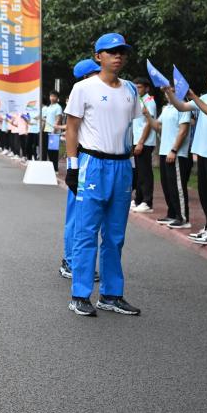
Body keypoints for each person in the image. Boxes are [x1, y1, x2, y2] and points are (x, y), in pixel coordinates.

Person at [63, 33, 141, 317]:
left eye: (122, 51)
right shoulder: (84, 88)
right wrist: (72, 167)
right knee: (86, 232)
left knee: (115, 235)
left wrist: (132, 169)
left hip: (121, 166)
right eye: (111, 52)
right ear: (98, 56)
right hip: (92, 164)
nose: (117, 56)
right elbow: (72, 128)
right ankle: (80, 294)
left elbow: (128, 130)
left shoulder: (131, 89)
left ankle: (111, 294)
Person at [162, 66, 207, 244]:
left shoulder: (203, 101)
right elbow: (182, 106)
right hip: (202, 152)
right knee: (204, 192)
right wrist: (170, 93)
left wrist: (193, 97)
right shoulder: (206, 97)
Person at [59, 59, 99, 279]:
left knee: (92, 217)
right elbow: (71, 132)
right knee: (77, 214)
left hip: (100, 164)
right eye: (94, 73)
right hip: (83, 160)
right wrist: (72, 166)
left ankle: (81, 262)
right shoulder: (82, 94)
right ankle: (70, 261)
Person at [156, 89, 193, 230]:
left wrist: (174, 150)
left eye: (171, 91)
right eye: (166, 92)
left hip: (176, 153)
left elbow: (183, 131)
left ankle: (183, 218)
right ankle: (172, 214)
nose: (167, 94)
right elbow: (157, 126)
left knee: (177, 187)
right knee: (167, 186)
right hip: (164, 152)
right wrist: (147, 116)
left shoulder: (183, 107)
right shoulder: (167, 109)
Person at [130, 79, 160, 213]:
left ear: (147, 89)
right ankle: (138, 199)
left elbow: (149, 123)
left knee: (145, 172)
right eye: (135, 87)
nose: (137, 89)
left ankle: (147, 202)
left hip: (145, 142)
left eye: (140, 87)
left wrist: (141, 142)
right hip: (137, 141)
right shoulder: (138, 101)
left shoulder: (149, 102)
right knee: (138, 172)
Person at [41, 91, 64, 171]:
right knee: (47, 150)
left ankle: (55, 169)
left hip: (54, 132)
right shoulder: (49, 106)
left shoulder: (58, 107)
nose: (52, 98)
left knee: (53, 151)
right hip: (47, 130)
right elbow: (47, 118)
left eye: (54, 96)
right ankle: (50, 168)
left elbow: (58, 119)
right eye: (51, 96)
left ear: (57, 98)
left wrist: (54, 130)